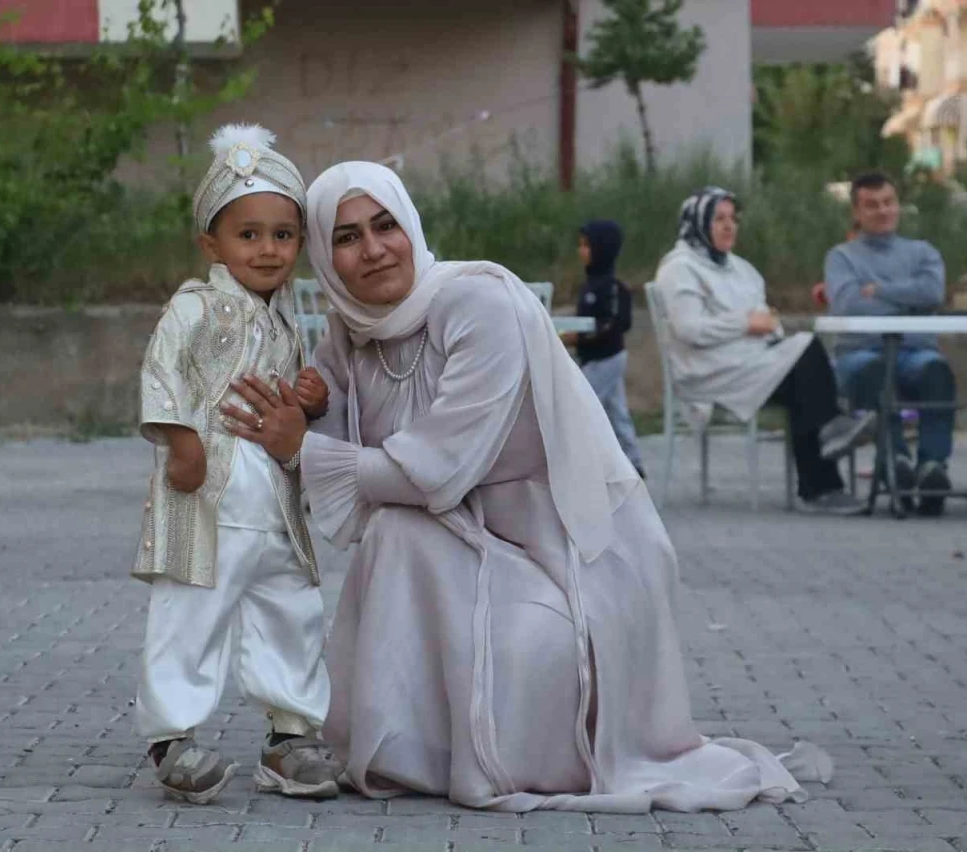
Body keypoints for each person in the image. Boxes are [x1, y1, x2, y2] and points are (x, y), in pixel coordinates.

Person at [223, 161, 834, 813]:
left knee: (440, 565)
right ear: (323, 255)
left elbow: (434, 469)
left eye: (385, 225)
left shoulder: (480, 303)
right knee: (395, 533)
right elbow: (338, 451)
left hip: (564, 548)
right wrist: (308, 412)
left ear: (412, 226)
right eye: (346, 238)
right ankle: (411, 754)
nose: (373, 250)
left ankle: (474, 751)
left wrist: (303, 447)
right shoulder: (351, 331)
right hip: (462, 540)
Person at [130, 124, 341, 804]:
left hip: (273, 504)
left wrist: (311, 399)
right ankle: (173, 738)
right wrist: (181, 442)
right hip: (209, 500)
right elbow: (162, 373)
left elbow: (288, 401)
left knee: (292, 611)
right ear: (212, 244)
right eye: (248, 234)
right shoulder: (192, 307)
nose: (268, 249)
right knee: (190, 614)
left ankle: (291, 738)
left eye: (283, 235)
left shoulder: (286, 320)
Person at [654, 186, 873, 515]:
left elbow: (764, 319)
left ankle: (822, 480)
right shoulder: (679, 269)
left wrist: (765, 327)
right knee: (806, 360)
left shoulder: (740, 268)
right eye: (718, 219)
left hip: (749, 360)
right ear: (697, 222)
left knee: (804, 377)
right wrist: (745, 323)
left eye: (733, 219)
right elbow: (690, 329)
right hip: (708, 369)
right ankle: (826, 460)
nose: (729, 226)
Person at [824, 171, 956, 516]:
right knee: (874, 373)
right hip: (861, 352)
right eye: (872, 205)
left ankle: (932, 467)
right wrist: (909, 302)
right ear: (856, 212)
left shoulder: (923, 252)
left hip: (916, 351)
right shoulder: (841, 257)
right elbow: (849, 304)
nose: (883, 211)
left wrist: (880, 290)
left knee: (937, 372)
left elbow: (933, 293)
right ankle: (896, 461)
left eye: (888, 202)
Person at [562, 220, 646, 475]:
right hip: (594, 357)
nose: (581, 251)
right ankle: (632, 462)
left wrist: (579, 337)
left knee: (580, 404)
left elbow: (614, 323)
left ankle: (580, 462)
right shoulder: (590, 285)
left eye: (586, 246)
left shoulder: (612, 288)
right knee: (615, 410)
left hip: (607, 357)